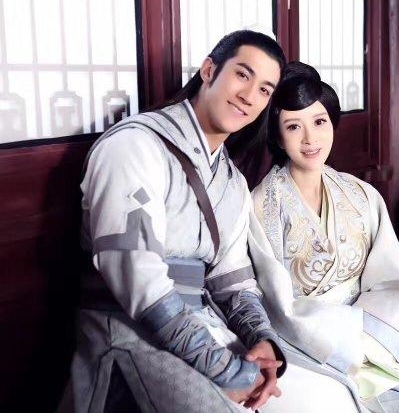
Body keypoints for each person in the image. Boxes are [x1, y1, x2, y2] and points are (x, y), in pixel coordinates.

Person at [65, 30, 287, 412]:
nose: (249, 96)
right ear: (209, 70)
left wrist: (261, 340)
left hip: (201, 327)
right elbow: (138, 279)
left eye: (264, 90)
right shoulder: (134, 146)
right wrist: (224, 369)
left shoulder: (232, 181)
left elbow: (232, 278)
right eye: (242, 75)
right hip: (128, 332)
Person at [248, 62, 399, 412]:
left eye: (319, 122)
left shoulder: (362, 196)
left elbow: (390, 280)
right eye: (293, 126)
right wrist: (343, 334)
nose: (310, 139)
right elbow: (274, 302)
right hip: (303, 345)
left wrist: (364, 334)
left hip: (372, 336)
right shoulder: (260, 206)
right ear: (277, 136)